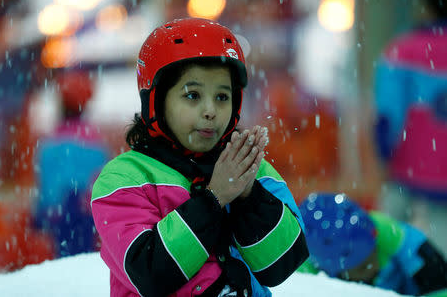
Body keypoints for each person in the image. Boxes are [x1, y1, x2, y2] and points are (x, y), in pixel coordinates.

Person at [91, 18, 309, 297]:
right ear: (156, 101)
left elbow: (282, 264)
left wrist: (249, 195)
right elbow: (149, 273)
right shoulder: (124, 178)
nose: (210, 111)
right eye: (192, 95)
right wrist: (214, 198)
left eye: (222, 97)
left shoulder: (248, 166)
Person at [374, 0, 447, 254]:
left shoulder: (404, 50)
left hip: (409, 163)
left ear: (426, 7)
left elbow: (388, 111)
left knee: (388, 231)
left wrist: (384, 149)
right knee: (442, 239)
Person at [297, 192, 447, 296]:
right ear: (330, 271)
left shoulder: (385, 230)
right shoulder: (306, 278)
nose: (375, 266)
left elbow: (440, 282)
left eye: (375, 252)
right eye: (363, 266)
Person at [34, 70, 110, 258]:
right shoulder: (96, 145)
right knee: (83, 260)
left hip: (59, 215)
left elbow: (46, 185)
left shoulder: (49, 145)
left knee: (63, 259)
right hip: (87, 215)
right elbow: (101, 182)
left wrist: (41, 212)